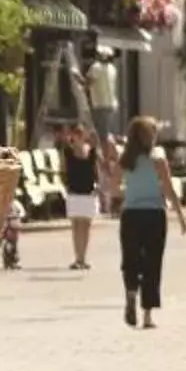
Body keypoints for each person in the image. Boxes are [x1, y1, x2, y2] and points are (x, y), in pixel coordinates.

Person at [117, 117, 180, 330]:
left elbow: (114, 188)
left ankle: (131, 292)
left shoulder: (125, 159)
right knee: (153, 262)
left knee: (131, 258)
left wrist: (131, 191)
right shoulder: (158, 158)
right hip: (154, 214)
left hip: (131, 214)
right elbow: (169, 189)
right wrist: (180, 216)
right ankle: (147, 314)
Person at [58, 122, 101, 272]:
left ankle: (84, 257)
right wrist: (65, 185)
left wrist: (98, 185)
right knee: (76, 226)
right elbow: (62, 170)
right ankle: (77, 258)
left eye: (81, 133)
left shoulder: (92, 152)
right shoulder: (67, 152)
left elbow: (96, 170)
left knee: (86, 226)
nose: (78, 136)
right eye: (76, 133)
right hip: (74, 191)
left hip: (88, 191)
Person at [84, 50, 122, 146]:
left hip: (100, 105)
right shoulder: (113, 68)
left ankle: (103, 155)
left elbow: (87, 84)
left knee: (101, 135)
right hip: (112, 105)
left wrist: (76, 77)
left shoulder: (96, 67)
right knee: (108, 132)